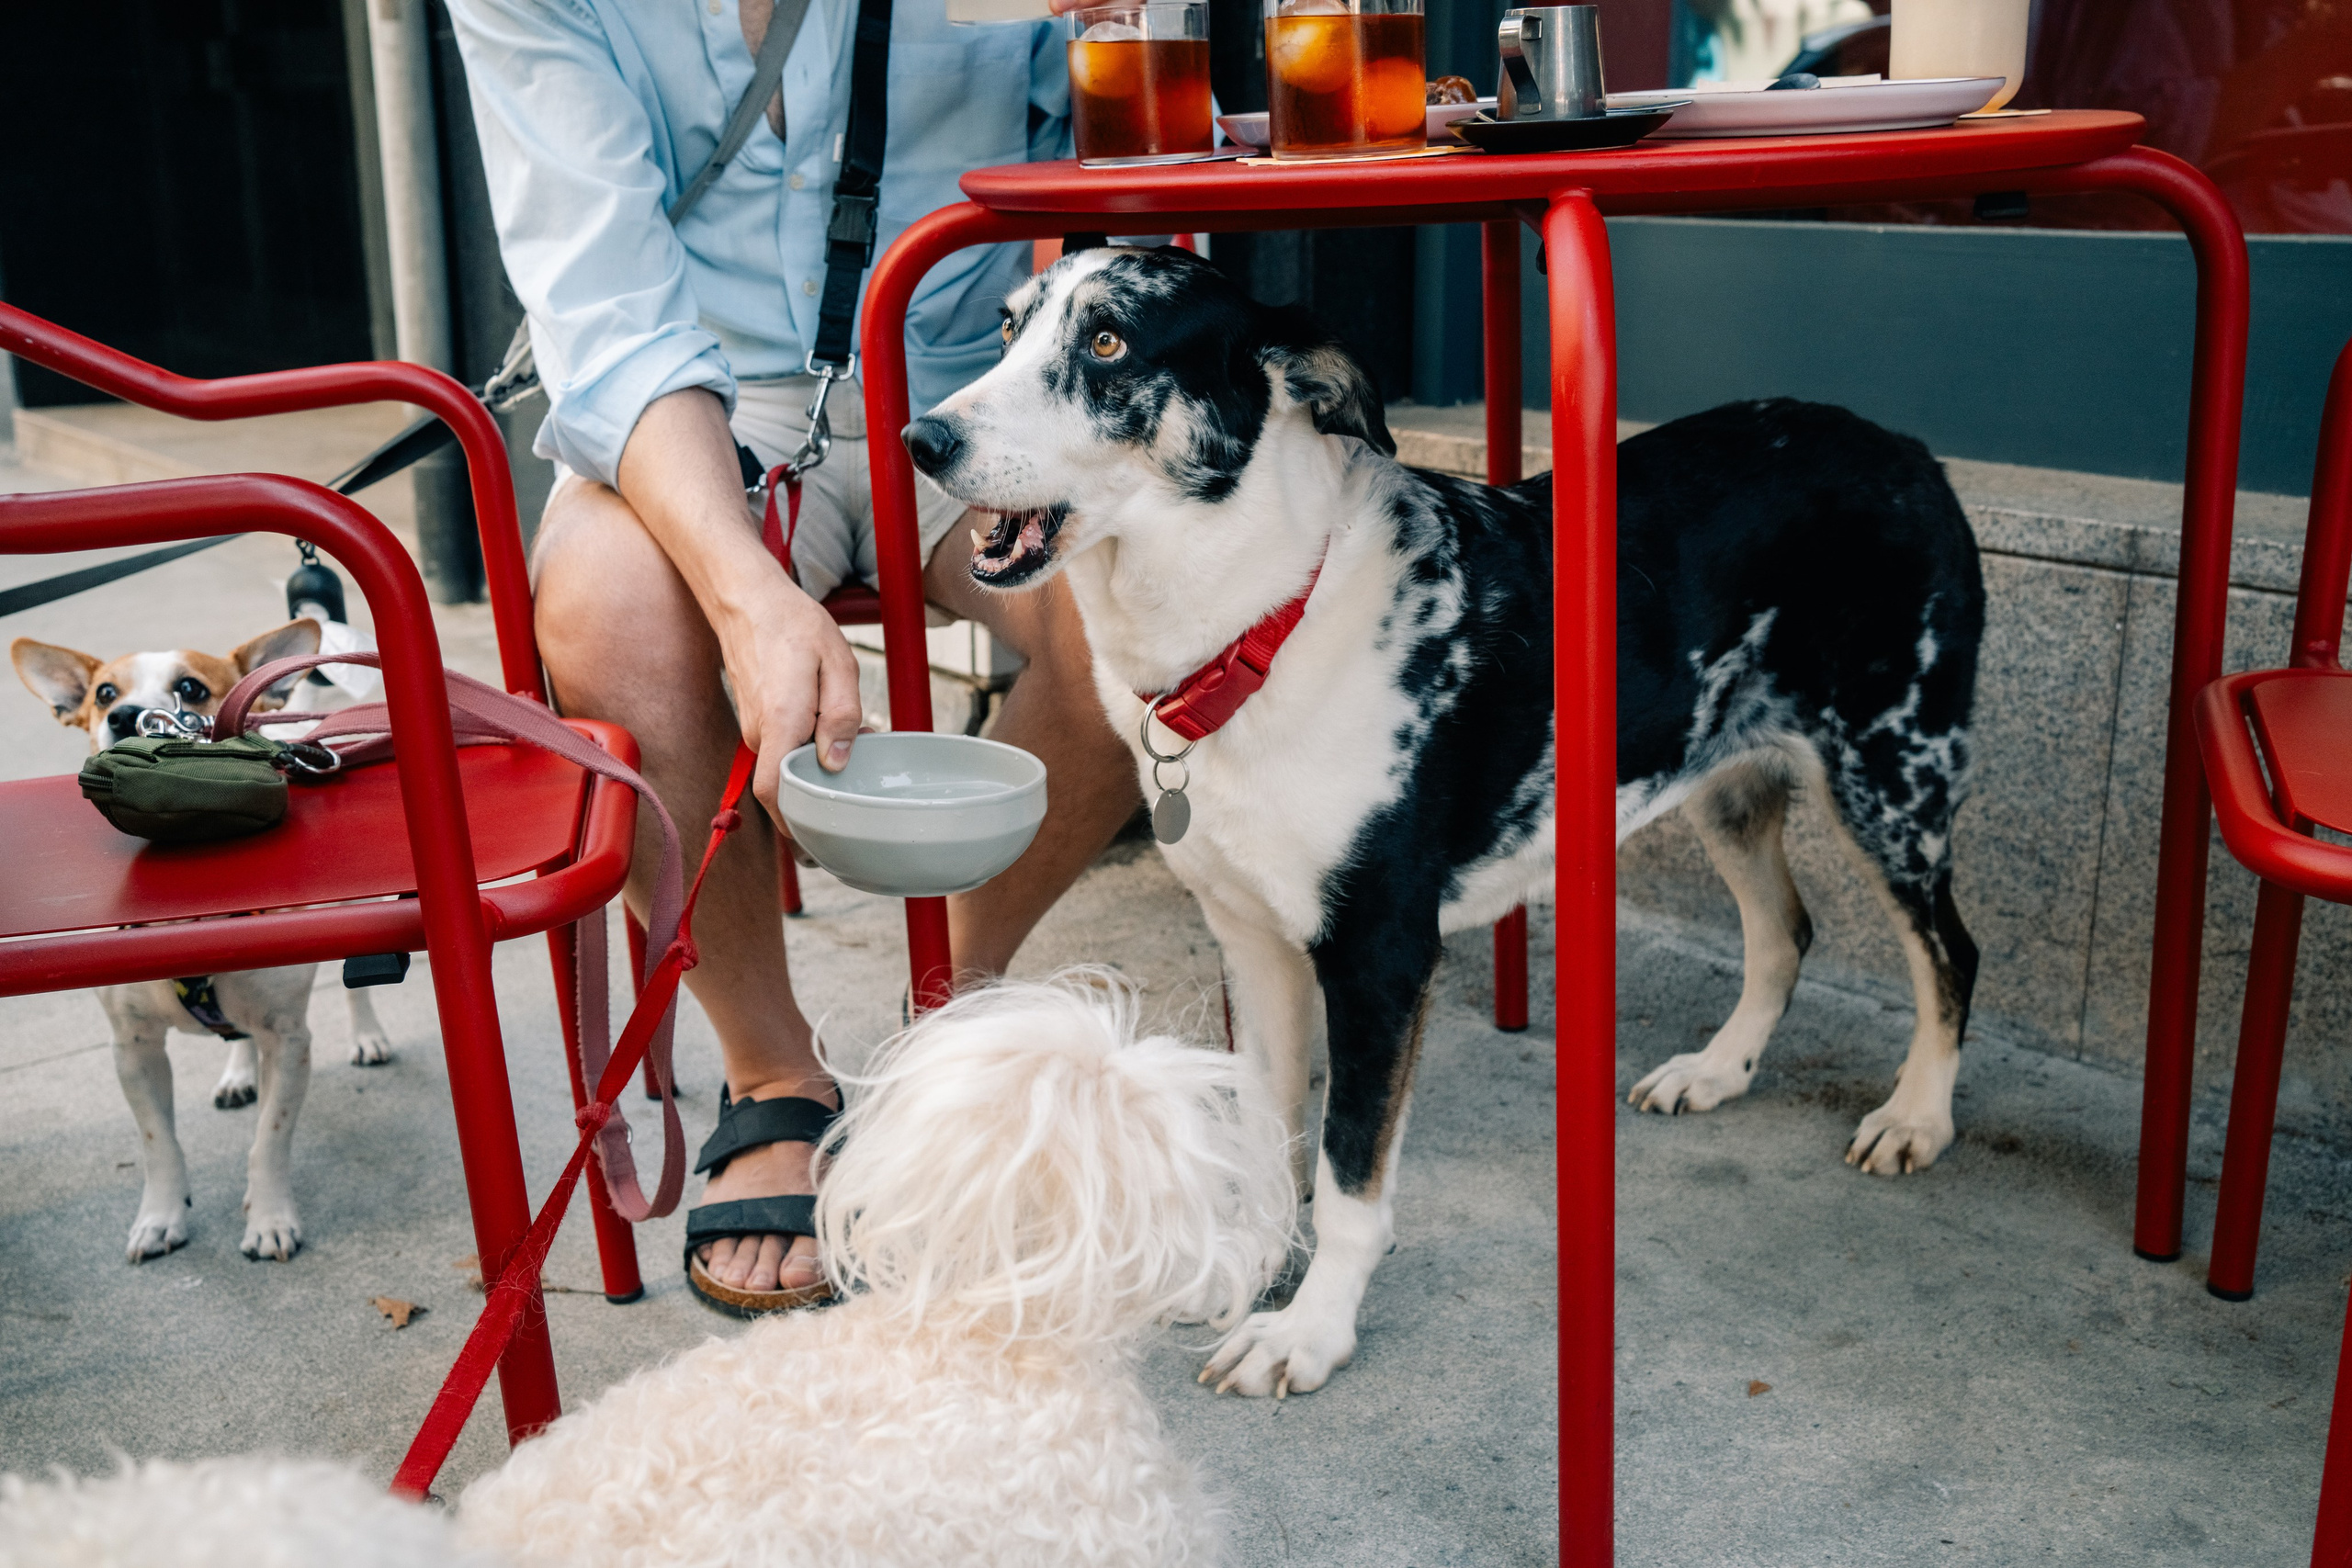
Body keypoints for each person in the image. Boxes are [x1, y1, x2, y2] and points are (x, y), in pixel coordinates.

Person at [448, 0, 1138, 1315]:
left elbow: (1129, 182)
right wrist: (753, 597)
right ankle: (773, 1071)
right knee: (604, 606)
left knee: (1152, 613)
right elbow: (608, 316)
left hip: (980, 376)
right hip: (699, 398)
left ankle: (951, 1030)